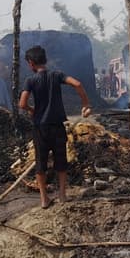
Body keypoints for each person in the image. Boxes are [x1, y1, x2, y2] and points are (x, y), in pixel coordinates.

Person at [18, 46, 90, 209]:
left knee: (40, 164)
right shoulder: (57, 75)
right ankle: (62, 195)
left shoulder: (30, 80)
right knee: (61, 161)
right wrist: (86, 104)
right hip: (57, 126)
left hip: (40, 128)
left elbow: (22, 104)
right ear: (45, 59)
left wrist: (32, 110)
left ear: (31, 63)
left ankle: (44, 199)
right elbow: (77, 84)